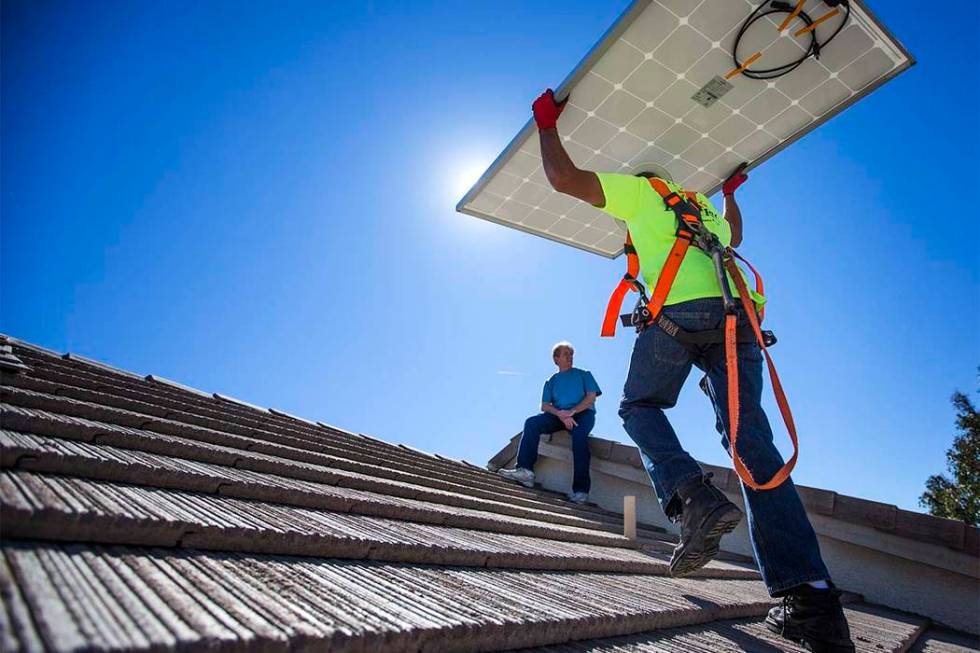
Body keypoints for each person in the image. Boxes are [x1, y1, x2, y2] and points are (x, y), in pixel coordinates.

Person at [527, 88, 855, 653]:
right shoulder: (698, 208)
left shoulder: (640, 191)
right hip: (739, 326)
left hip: (680, 317)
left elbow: (563, 179)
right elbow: (737, 236)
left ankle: (692, 497)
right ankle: (814, 602)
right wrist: (728, 194)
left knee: (636, 406)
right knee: (752, 445)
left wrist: (545, 126)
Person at [498, 341, 601, 504]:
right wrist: (561, 414)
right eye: (565, 354)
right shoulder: (551, 381)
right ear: (556, 359)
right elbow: (545, 405)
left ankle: (581, 492)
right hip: (559, 415)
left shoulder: (584, 374)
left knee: (580, 439)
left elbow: (591, 398)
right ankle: (525, 471)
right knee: (531, 423)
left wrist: (572, 412)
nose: (569, 357)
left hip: (582, 414)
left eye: (571, 354)